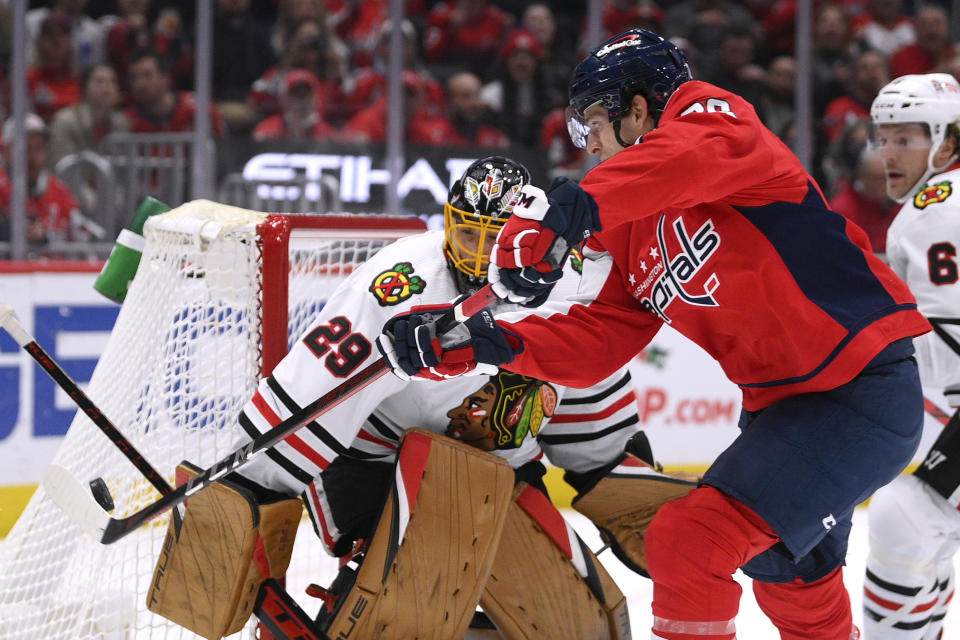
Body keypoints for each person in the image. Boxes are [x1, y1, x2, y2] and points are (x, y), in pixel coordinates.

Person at [378, 29, 931, 640]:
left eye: (593, 121)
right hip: (784, 409)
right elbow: (603, 337)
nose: (587, 144)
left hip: (861, 386)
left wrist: (574, 206)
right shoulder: (632, 221)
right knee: (788, 572)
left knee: (689, 541)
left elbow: (690, 154)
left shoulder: (716, 117)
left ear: (637, 109)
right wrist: (486, 343)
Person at [862, 72, 960, 639]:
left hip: (949, 410)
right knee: (919, 532)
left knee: (906, 519)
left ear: (946, 142)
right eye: (885, 138)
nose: (889, 155)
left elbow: (947, 332)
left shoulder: (934, 211)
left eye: (907, 139)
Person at [0, 113, 82, 248]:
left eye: (38, 148)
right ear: (5, 151)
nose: (32, 157)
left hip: (52, 267)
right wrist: (13, 232)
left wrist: (47, 237)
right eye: (25, 149)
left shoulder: (58, 189)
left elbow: (81, 239)